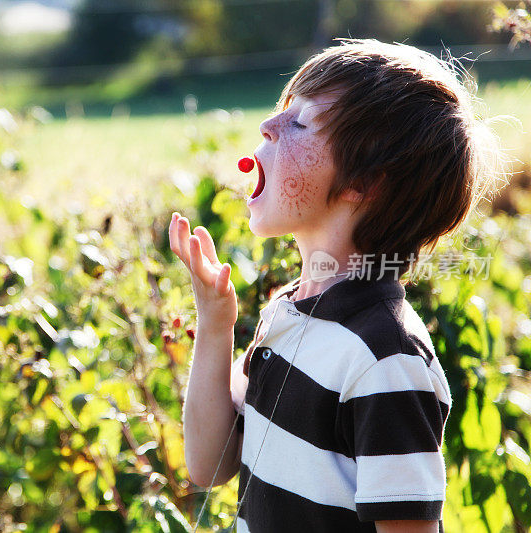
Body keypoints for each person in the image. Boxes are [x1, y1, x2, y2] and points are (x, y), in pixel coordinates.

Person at [168, 39, 508, 532]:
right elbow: (209, 465)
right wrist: (215, 323)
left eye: (300, 122)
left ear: (364, 184)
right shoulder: (288, 310)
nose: (268, 126)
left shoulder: (386, 358)